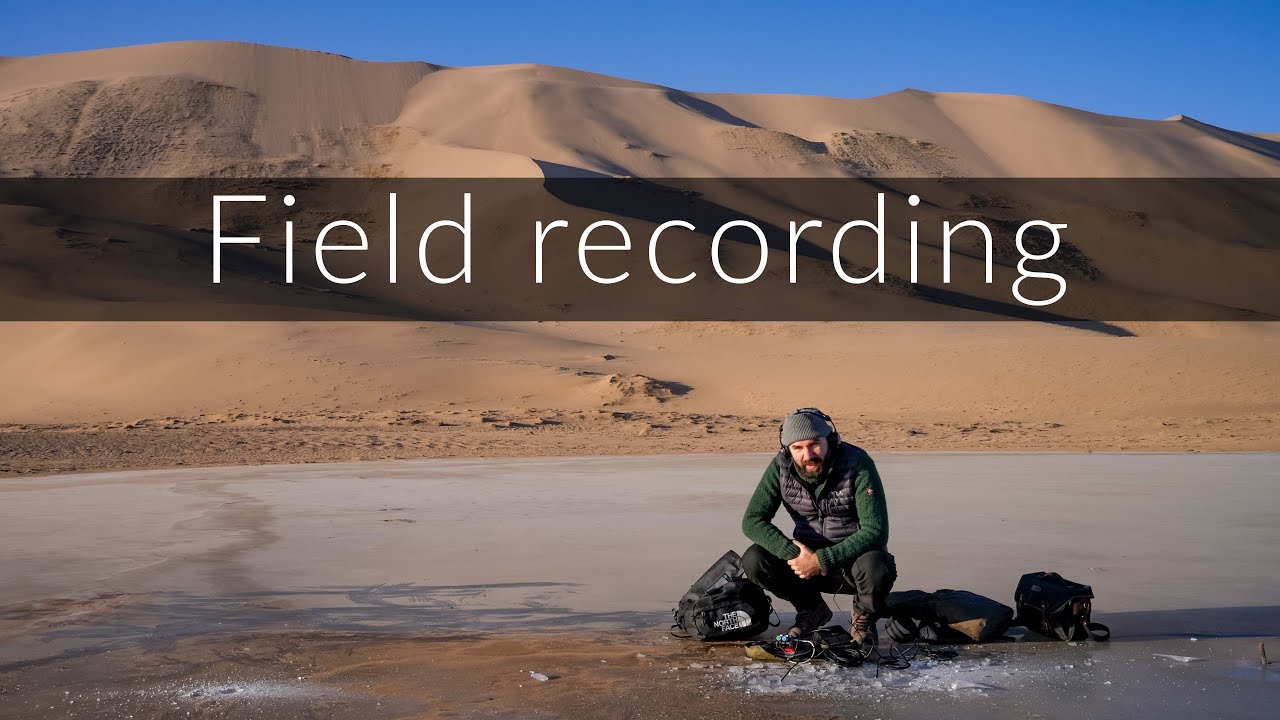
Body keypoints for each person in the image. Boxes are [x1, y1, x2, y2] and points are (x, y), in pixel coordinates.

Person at [741, 408, 895, 646]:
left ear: (830, 440)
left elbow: (875, 530)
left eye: (814, 444)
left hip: (852, 566)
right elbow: (752, 520)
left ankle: (863, 618)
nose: (807, 454)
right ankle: (812, 609)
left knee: (878, 565)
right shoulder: (780, 467)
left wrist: (823, 560)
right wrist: (793, 553)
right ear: (787, 449)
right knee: (754, 559)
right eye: (797, 448)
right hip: (804, 566)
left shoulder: (858, 463)